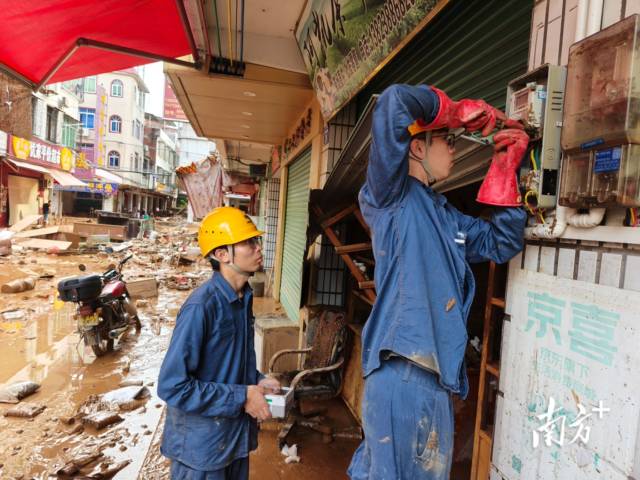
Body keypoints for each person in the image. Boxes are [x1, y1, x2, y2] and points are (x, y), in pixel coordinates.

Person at [347, 84, 529, 480]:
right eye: (447, 140)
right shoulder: (389, 196)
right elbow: (395, 102)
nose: (455, 149)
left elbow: (501, 243)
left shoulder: (444, 215)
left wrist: (503, 168)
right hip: (405, 376)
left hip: (432, 380)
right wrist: (455, 109)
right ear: (416, 148)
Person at [158, 206, 281, 479]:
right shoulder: (201, 307)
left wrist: (257, 380)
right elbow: (173, 386)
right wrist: (242, 396)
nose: (258, 248)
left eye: (256, 240)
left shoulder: (242, 298)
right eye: (248, 242)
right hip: (201, 452)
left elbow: (226, 364)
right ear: (221, 254)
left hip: (234, 441)